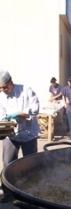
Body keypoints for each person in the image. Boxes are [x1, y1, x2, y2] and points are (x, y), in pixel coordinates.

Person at [0, 69, 41, 202]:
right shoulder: (1, 96)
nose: (3, 90)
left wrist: (19, 113)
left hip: (29, 134)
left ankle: (30, 193)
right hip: (11, 135)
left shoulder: (26, 90)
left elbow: (35, 109)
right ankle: (8, 193)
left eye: (5, 87)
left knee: (29, 164)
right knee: (8, 163)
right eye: (1, 88)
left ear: (11, 82)